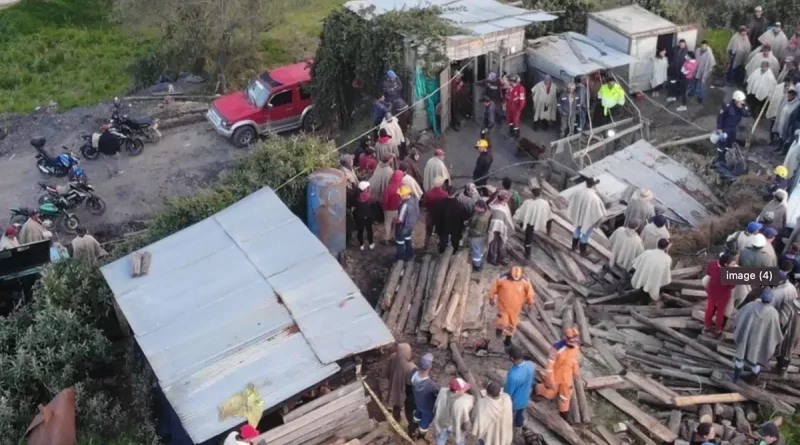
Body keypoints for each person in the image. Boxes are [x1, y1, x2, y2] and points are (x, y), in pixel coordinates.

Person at [733, 288, 782, 382]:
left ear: (761, 297)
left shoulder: (750, 306)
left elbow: (738, 318)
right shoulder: (773, 313)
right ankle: (752, 381)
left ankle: (735, 378)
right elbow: (776, 331)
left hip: (746, 338)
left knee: (740, 357)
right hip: (760, 342)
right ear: (771, 300)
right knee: (757, 359)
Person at [534, 327, 581, 423]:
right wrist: (550, 379)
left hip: (567, 377)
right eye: (571, 341)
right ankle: (535, 389)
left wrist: (576, 373)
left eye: (574, 341)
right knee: (550, 393)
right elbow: (550, 365)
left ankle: (564, 412)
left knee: (566, 395)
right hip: (556, 375)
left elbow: (575, 361)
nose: (573, 344)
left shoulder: (576, 347)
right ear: (566, 338)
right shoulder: (557, 348)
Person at [489, 267, 534, 347]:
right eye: (513, 278)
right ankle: (499, 330)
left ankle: (507, 340)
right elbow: (494, 288)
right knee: (502, 322)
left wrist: (531, 303)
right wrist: (491, 298)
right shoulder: (502, 278)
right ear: (509, 274)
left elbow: (530, 293)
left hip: (515, 309)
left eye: (517, 279)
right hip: (503, 307)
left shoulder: (525, 281)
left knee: (512, 325)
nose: (515, 280)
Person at [568, 177, 607, 256]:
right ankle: (582, 252)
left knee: (577, 230)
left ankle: (573, 247)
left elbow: (570, 198)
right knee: (586, 234)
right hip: (588, 218)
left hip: (579, 216)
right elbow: (601, 212)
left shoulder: (578, 191)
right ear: (593, 186)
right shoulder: (595, 198)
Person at [503, 345, 535, 437]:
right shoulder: (530, 365)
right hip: (525, 397)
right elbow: (532, 381)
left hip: (515, 402)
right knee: (520, 416)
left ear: (512, 358)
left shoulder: (513, 376)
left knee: (509, 416)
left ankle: (508, 432)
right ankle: (518, 431)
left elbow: (508, 394)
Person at [630, 238, 673, 304]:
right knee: (649, 291)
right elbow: (665, 274)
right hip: (654, 280)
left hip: (643, 277)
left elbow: (635, 263)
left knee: (642, 289)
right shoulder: (667, 259)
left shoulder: (647, 252)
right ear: (666, 247)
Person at [704, 253, 738, 337]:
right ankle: (719, 329)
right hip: (723, 295)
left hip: (712, 291)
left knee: (710, 309)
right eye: (733, 264)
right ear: (726, 264)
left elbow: (708, 273)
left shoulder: (713, 264)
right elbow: (732, 286)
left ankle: (707, 325)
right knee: (720, 312)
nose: (735, 265)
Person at [433, 378, 475, 445]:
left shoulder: (442, 392)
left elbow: (436, 406)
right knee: (460, 441)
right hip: (456, 426)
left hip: (443, 423)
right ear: (457, 391)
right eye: (463, 389)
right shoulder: (464, 402)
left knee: (441, 438)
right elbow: (466, 422)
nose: (465, 390)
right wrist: (466, 427)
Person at [514, 188, 553, 258]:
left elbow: (521, 213)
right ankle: (548, 232)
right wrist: (548, 230)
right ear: (540, 194)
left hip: (529, 222)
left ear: (532, 194)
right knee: (549, 220)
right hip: (538, 220)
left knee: (528, 237)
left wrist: (521, 223)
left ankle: (527, 254)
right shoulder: (545, 203)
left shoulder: (527, 202)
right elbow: (549, 217)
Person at [715, 90, 751, 164]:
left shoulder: (741, 108)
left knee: (730, 144)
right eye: (740, 101)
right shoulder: (727, 107)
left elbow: (747, 114)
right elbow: (720, 118)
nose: (742, 103)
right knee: (722, 144)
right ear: (735, 101)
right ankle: (720, 159)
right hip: (725, 128)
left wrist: (743, 107)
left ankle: (727, 157)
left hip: (733, 129)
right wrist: (720, 129)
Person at [434, 186, 470, 254]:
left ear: (447, 192)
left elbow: (436, 215)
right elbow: (465, 217)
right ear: (455, 193)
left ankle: (442, 252)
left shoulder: (441, 203)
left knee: (443, 241)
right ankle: (454, 252)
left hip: (443, 226)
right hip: (455, 228)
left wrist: (437, 225)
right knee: (455, 241)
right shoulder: (460, 205)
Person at [410, 353, 439, 439]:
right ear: (430, 367)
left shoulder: (413, 372)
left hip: (418, 402)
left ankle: (411, 430)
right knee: (424, 424)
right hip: (428, 408)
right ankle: (420, 437)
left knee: (416, 416)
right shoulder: (431, 385)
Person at [386, 343, 416, 425]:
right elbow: (412, 384)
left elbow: (387, 373)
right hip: (405, 392)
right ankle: (411, 426)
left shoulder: (393, 357)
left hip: (394, 389)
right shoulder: (411, 367)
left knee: (396, 407)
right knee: (409, 411)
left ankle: (396, 421)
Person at [487, 191, 514, 266]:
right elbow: (497, 220)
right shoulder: (499, 209)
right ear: (504, 199)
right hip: (495, 228)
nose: (508, 199)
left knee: (501, 243)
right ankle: (492, 259)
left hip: (500, 226)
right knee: (494, 242)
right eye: (507, 198)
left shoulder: (500, 203)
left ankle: (500, 257)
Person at [395, 185, 419, 261]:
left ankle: (400, 258)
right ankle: (410, 254)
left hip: (404, 225)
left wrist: (394, 221)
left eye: (401, 195)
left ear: (405, 195)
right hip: (411, 224)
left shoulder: (405, 205)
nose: (400, 196)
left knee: (400, 241)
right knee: (408, 238)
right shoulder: (414, 199)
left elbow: (400, 220)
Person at [423, 177, 448, 248]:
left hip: (430, 214)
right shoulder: (445, 194)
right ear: (441, 184)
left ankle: (426, 245)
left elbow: (424, 204)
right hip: (440, 216)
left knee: (428, 232)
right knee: (440, 232)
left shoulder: (428, 193)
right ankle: (441, 246)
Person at [468, 201, 491, 271]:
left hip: (477, 237)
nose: (475, 208)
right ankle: (480, 261)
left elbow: (477, 232)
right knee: (480, 249)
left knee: (476, 250)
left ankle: (477, 265)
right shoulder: (485, 212)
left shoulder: (482, 219)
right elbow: (473, 217)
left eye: (477, 207)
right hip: (483, 235)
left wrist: (469, 230)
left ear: (482, 208)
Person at [383, 171, 404, 243]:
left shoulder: (388, 188)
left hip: (389, 210)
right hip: (399, 210)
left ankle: (386, 239)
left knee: (387, 224)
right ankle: (394, 237)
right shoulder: (403, 187)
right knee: (396, 225)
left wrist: (384, 207)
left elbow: (385, 200)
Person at [354, 181, 375, 250]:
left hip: (359, 217)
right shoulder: (369, 197)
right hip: (368, 216)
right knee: (369, 230)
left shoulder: (356, 197)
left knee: (360, 230)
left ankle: (361, 244)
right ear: (365, 189)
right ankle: (371, 243)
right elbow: (373, 206)